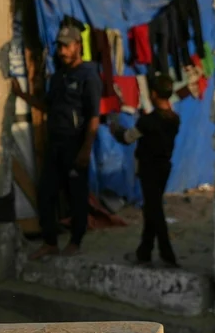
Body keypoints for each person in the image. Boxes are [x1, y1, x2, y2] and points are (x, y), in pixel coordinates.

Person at [14, 21, 101, 259]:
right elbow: (47, 106)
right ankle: (50, 242)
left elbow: (94, 117)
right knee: (46, 193)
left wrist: (86, 149)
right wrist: (21, 94)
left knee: (76, 195)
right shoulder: (59, 76)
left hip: (76, 144)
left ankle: (75, 241)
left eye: (67, 46)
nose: (62, 51)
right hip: (56, 144)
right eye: (60, 46)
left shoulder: (88, 75)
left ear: (78, 46)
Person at [111, 73, 181, 267]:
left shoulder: (148, 121)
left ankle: (167, 254)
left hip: (149, 169)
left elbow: (127, 138)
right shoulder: (174, 119)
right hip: (164, 168)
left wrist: (115, 128)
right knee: (151, 209)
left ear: (154, 93)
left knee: (154, 211)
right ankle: (144, 252)